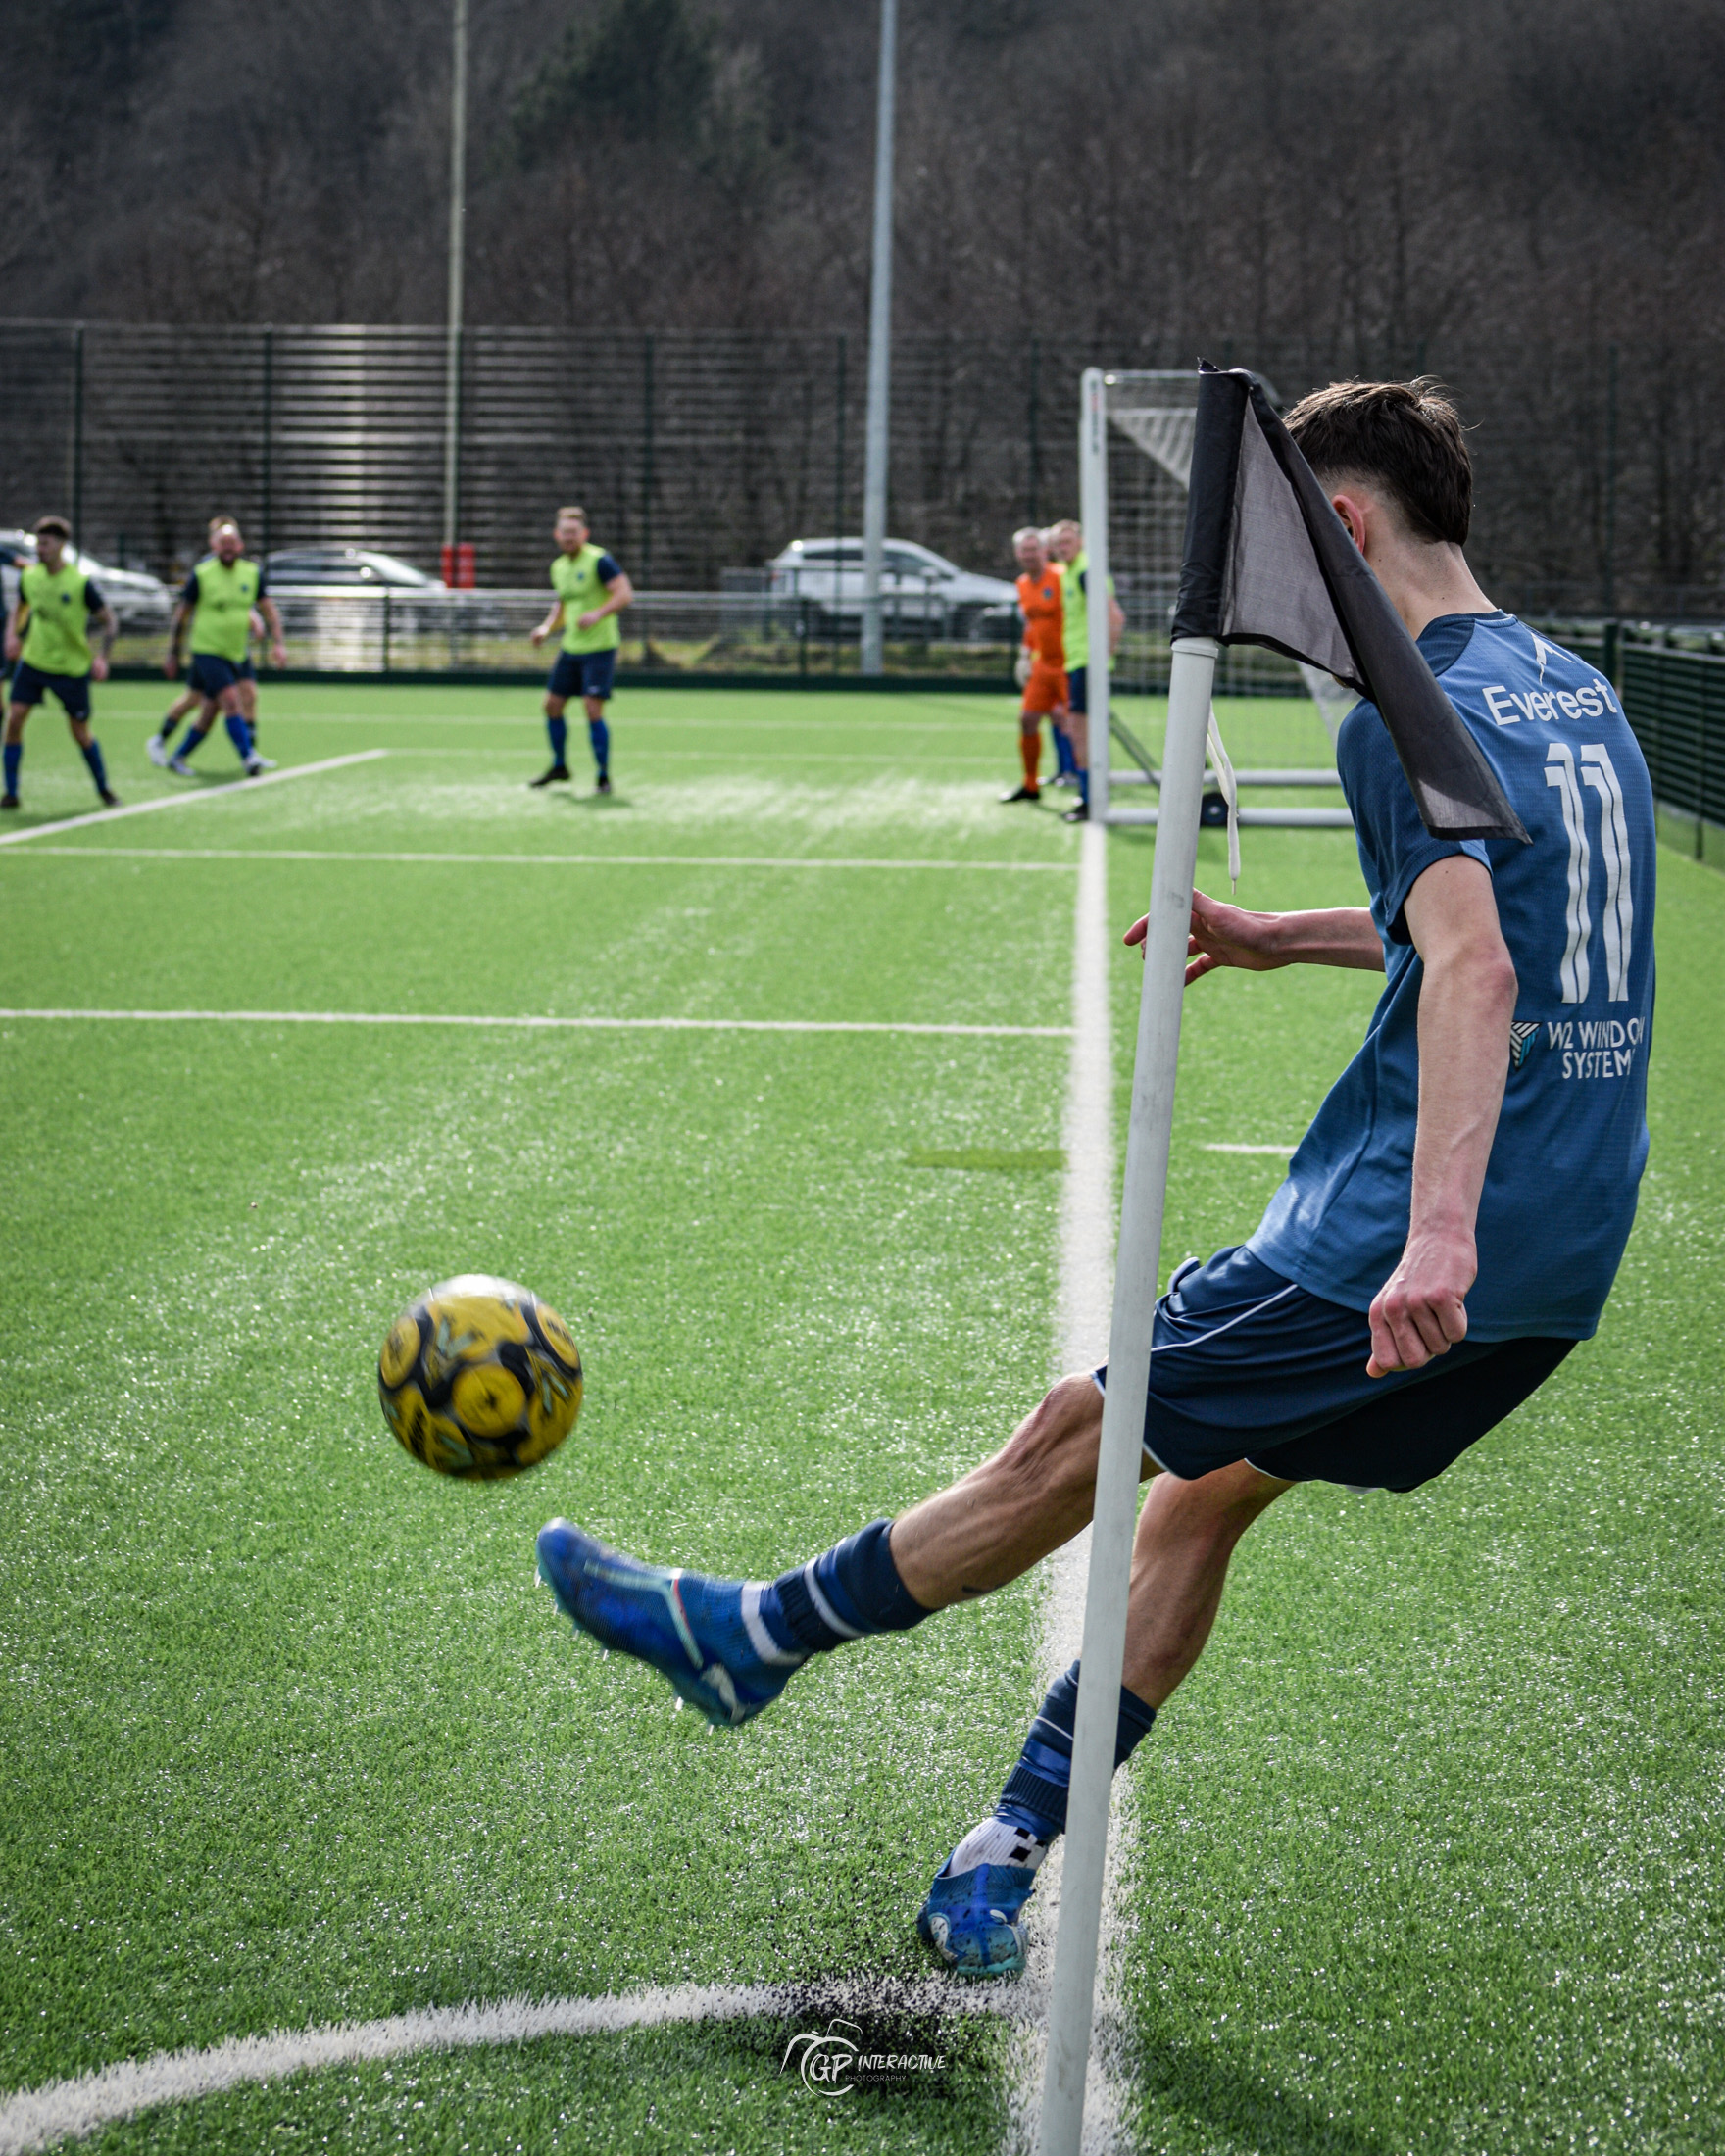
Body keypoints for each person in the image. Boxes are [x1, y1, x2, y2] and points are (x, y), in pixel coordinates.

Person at [533, 377, 1656, 1984]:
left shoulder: (1408, 711)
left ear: (1342, 529)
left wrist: (1435, 1234)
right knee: (1200, 1499)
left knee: (1085, 1434)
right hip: (1567, 1260)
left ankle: (751, 1639)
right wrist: (1285, 934)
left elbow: (1476, 974)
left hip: (1408, 1241)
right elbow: (1525, 927)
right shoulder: (1575, 690)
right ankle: (1003, 1851)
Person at [2, 514, 120, 810]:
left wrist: (103, 658)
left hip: (71, 668)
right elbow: (20, 606)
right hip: (34, 662)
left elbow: (109, 621)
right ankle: (11, 793)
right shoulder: (30, 576)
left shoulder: (80, 583)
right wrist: (12, 636)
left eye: (47, 543)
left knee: (80, 732)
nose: (41, 549)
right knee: (14, 720)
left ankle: (104, 788)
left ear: (62, 546)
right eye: (39, 543)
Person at [158, 519, 285, 777]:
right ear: (213, 545)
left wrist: (278, 643)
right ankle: (248, 757)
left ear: (240, 545)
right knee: (228, 701)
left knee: (218, 707)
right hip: (207, 650)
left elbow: (267, 610)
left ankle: (179, 756)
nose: (228, 548)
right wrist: (173, 652)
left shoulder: (251, 572)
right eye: (222, 543)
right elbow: (182, 615)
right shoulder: (202, 574)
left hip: (237, 651)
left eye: (232, 543)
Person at [527, 507, 633, 793]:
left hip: (599, 647)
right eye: (565, 532)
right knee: (551, 705)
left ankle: (603, 776)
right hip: (571, 647)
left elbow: (624, 593)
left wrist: (598, 614)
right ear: (556, 535)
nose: (569, 537)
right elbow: (562, 605)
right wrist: (546, 629)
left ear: (584, 534)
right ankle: (560, 766)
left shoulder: (600, 561)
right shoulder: (559, 567)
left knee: (591, 708)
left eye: (574, 532)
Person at [1047, 517, 1125, 824]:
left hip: (1086, 663)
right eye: (1057, 544)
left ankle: (1091, 800)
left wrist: (1103, 657)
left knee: (1081, 733)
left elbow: (1115, 616)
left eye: (1066, 542)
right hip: (1077, 662)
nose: (1061, 548)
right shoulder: (1070, 571)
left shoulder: (1084, 572)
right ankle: (1089, 796)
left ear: (1079, 541)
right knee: (1077, 729)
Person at [1002, 526, 1066, 806]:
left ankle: (1081, 779)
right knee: (1027, 719)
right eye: (1024, 550)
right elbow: (1031, 624)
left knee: (1072, 722)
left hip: (1068, 662)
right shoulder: (1022, 584)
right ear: (1017, 554)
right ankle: (1030, 784)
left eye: (1034, 549)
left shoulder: (1061, 578)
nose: (1029, 555)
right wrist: (1025, 654)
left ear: (1045, 550)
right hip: (1043, 664)